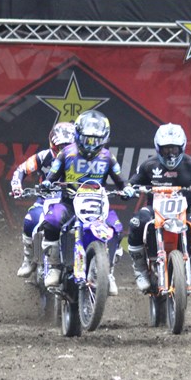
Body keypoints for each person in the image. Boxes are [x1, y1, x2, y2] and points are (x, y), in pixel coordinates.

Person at [39, 110, 135, 292]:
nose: (90, 145)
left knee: (116, 228)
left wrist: (127, 188)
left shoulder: (108, 157)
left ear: (104, 138)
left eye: (95, 140)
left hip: (98, 206)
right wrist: (47, 183)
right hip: (69, 203)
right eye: (87, 139)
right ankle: (54, 266)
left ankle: (108, 272)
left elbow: (121, 180)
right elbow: (52, 175)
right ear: (77, 135)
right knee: (52, 220)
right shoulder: (66, 153)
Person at [127, 123, 191, 293]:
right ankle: (140, 269)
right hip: (154, 211)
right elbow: (133, 181)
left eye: (174, 149)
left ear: (181, 147)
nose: (170, 153)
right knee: (137, 223)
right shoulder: (149, 165)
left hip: (182, 213)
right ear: (158, 148)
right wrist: (129, 188)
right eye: (166, 149)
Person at [10, 122, 75, 278]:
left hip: (71, 200)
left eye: (68, 146)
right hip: (46, 198)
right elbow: (21, 169)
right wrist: (17, 186)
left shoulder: (80, 159)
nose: (63, 151)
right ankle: (29, 259)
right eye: (61, 147)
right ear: (53, 144)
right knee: (30, 219)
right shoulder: (43, 156)